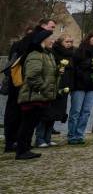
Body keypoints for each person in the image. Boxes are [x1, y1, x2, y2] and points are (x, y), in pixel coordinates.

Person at [14, 27, 57, 161]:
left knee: (31, 124)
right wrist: (43, 88)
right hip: (32, 96)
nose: (53, 41)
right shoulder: (35, 55)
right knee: (27, 124)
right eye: (50, 38)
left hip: (39, 96)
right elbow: (32, 76)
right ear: (43, 40)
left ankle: (26, 149)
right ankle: (21, 151)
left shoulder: (47, 54)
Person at [35, 33, 73, 149]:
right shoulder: (53, 53)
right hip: (52, 86)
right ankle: (40, 138)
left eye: (71, 42)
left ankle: (48, 138)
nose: (69, 44)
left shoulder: (71, 54)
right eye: (67, 41)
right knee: (46, 112)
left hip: (64, 86)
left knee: (55, 113)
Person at [67, 31, 93, 145]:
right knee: (76, 111)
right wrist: (88, 65)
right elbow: (74, 67)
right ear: (88, 40)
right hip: (79, 85)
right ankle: (72, 135)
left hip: (92, 85)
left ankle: (80, 134)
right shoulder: (79, 51)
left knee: (86, 111)